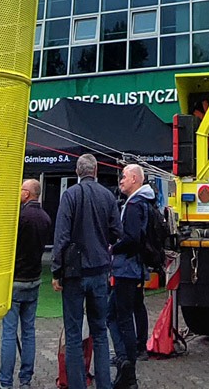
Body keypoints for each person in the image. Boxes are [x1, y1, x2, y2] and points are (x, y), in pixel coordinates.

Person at [51, 154, 118, 389]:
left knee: (73, 333)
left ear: (77, 172)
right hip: (100, 270)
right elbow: (116, 232)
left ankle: (77, 384)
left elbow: (61, 236)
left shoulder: (70, 196)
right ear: (96, 170)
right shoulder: (107, 196)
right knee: (100, 331)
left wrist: (56, 271)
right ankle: (104, 384)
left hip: (74, 273)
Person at [0, 178, 53, 389]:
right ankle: (26, 379)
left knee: (9, 334)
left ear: (28, 193)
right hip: (34, 279)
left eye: (21, 189)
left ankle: (5, 382)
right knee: (29, 331)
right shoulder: (45, 218)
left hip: (17, 280)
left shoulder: (20, 217)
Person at [109, 164, 156, 389]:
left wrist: (112, 249)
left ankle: (128, 368)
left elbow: (132, 238)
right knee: (116, 313)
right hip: (132, 268)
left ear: (136, 179)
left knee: (122, 317)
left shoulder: (135, 205)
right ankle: (126, 360)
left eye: (124, 177)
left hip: (127, 268)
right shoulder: (140, 202)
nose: (121, 180)